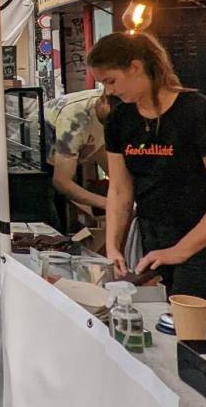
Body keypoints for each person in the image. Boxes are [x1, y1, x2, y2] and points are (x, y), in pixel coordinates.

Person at [88, 32, 206, 298]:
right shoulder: (119, 120)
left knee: (191, 331)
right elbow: (119, 190)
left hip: (198, 240)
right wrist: (112, 247)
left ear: (136, 67)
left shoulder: (195, 111)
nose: (109, 90)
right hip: (150, 241)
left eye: (111, 81)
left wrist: (182, 250)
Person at [45, 89, 115, 213]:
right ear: (104, 101)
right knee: (51, 217)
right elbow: (61, 181)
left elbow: (101, 151)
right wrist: (108, 204)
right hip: (33, 165)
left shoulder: (111, 114)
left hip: (58, 161)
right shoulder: (75, 119)